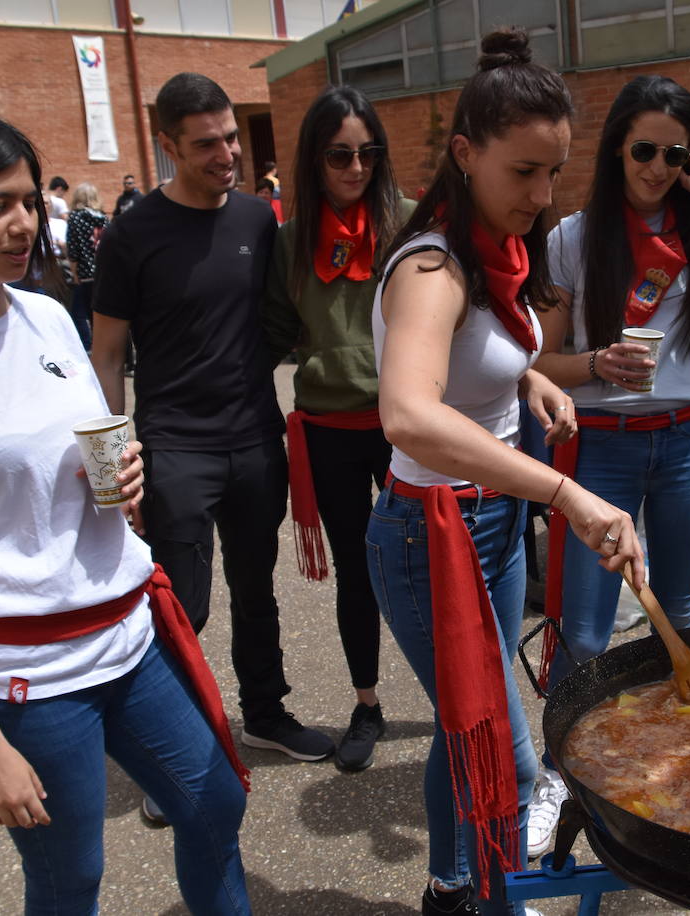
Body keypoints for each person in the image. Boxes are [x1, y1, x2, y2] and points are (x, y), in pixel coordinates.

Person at [0, 105, 252, 914]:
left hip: (129, 638)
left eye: (28, 199)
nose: (23, 222)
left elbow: (81, 443)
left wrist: (123, 472)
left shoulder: (45, 315)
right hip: (24, 678)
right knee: (71, 879)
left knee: (215, 803)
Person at [368, 28, 642, 916]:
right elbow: (409, 411)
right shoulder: (433, 265)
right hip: (428, 532)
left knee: (462, 741)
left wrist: (527, 377)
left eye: (554, 172)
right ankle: (496, 904)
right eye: (524, 171)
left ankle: (451, 887)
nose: (544, 193)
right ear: (463, 154)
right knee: (500, 756)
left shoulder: (495, 253)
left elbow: (476, 357)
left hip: (491, 519)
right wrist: (564, 489)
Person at [526, 75, 690, 858]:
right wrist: (597, 362)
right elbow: (538, 360)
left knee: (684, 608)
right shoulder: (572, 236)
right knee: (587, 627)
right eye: (644, 150)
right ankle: (560, 775)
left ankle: (673, 756)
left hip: (689, 440)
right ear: (616, 148)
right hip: (600, 442)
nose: (658, 167)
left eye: (676, 153)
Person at [90, 72, 334, 764]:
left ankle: (264, 714)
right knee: (180, 607)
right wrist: (113, 478)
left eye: (230, 137)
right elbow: (106, 357)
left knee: (258, 593)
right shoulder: (131, 235)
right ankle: (174, 747)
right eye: (206, 144)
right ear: (167, 145)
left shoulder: (259, 219)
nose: (226, 153)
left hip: (255, 438)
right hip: (175, 448)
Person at [262, 85, 413, 772]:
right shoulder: (290, 242)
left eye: (367, 153)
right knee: (356, 568)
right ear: (314, 161)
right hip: (331, 427)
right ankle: (367, 704)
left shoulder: (409, 224)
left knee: (434, 561)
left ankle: (461, 694)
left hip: (407, 422)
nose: (355, 168)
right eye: (339, 156)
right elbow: (270, 333)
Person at [65, 181, 107, 350]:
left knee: (78, 314)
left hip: (84, 272)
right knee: (100, 314)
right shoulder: (103, 217)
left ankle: (89, 348)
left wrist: (74, 273)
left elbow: (73, 247)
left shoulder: (75, 217)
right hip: (104, 272)